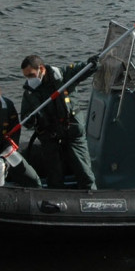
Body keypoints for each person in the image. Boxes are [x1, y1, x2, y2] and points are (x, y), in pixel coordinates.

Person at [20, 55, 97, 190]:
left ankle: (90, 194)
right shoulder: (29, 93)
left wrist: (92, 64)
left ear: (41, 69)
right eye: (26, 76)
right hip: (49, 135)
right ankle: (56, 195)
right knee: (54, 174)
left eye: (31, 75)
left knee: (84, 170)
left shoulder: (63, 76)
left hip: (72, 130)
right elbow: (25, 119)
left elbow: (82, 70)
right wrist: (32, 119)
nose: (29, 79)